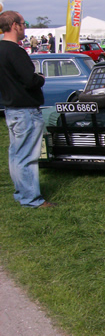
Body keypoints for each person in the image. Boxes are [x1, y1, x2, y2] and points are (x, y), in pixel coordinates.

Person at [0, 11, 55, 208]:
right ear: (15, 25)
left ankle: (21, 193)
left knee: (16, 155)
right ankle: (31, 199)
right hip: (26, 110)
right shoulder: (15, 51)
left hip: (11, 108)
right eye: (24, 24)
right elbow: (30, 80)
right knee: (27, 157)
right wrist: (40, 77)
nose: (25, 27)